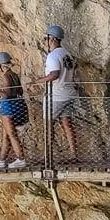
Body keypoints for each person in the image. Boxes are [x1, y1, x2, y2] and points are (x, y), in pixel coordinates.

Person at [38, 24, 81, 160]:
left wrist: (39, 80)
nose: (46, 41)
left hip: (55, 96)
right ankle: (74, 155)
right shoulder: (67, 54)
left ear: (53, 39)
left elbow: (54, 74)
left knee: (48, 126)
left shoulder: (53, 56)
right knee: (67, 124)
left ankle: (48, 157)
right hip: (69, 94)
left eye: (47, 38)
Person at [0, 51, 28, 169]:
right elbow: (20, 91)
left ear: (1, 66)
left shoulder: (6, 76)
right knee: (6, 134)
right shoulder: (14, 75)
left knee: (11, 134)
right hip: (18, 105)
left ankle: (20, 158)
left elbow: (6, 94)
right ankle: (1, 159)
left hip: (8, 107)